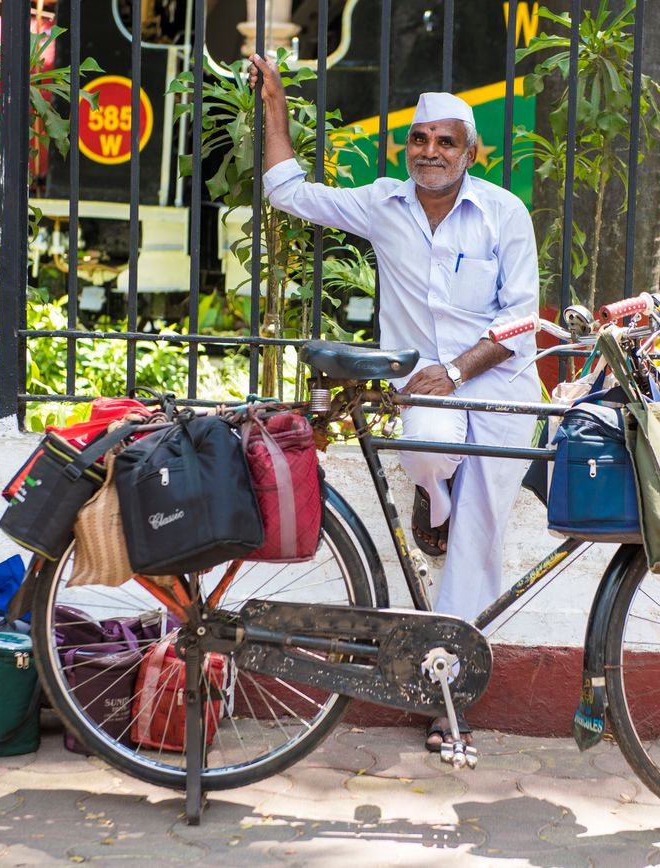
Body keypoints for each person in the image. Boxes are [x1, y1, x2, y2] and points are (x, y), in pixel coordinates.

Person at [249, 54, 540, 752]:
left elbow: (523, 314)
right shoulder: (384, 203)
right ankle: (430, 503)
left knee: (480, 537)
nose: (430, 152)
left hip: (497, 388)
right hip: (426, 391)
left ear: (470, 152)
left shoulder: (505, 213)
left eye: (446, 141)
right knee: (425, 452)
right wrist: (276, 110)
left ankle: (445, 694)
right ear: (406, 147)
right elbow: (287, 190)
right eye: (420, 139)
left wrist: (461, 367)